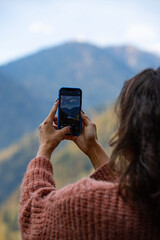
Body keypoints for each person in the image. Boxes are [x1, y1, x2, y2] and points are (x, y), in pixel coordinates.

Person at [19, 68, 160, 240]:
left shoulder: (86, 203)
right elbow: (128, 194)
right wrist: (92, 148)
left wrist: (44, 149)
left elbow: (33, 220)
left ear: (133, 134)